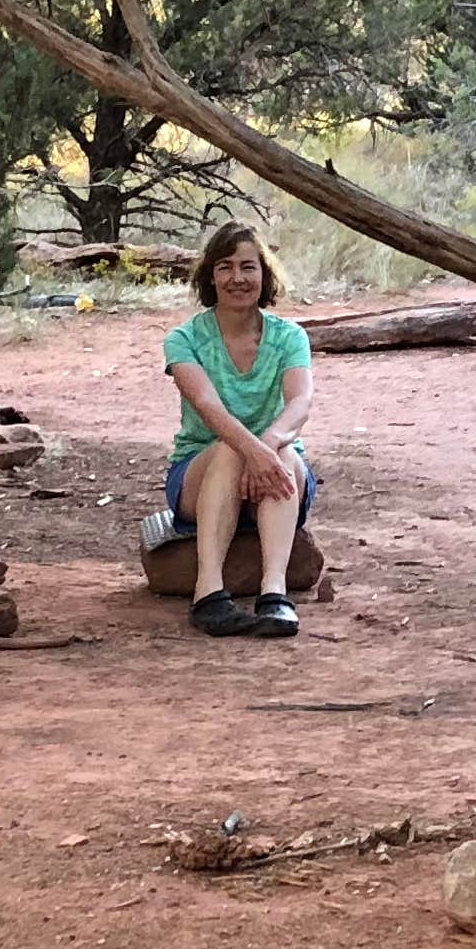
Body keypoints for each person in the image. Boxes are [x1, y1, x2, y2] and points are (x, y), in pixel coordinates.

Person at [161, 220, 317, 638]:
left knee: (283, 453)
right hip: (202, 471)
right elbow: (208, 406)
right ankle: (208, 592)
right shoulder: (185, 339)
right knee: (230, 447)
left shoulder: (290, 337)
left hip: (277, 466)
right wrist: (252, 449)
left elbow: (300, 402)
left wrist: (266, 447)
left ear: (264, 275)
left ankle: (274, 594)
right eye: (225, 266)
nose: (237, 278)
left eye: (248, 267)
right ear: (210, 275)